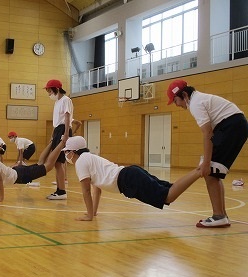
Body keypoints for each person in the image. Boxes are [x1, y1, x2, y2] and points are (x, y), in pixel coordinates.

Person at [167, 79, 248, 228]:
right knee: (213, 172)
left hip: (231, 126)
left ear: (184, 95)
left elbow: (207, 133)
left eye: (176, 101)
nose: (177, 105)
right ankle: (221, 215)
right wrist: (206, 162)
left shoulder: (196, 104)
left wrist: (206, 163)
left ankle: (219, 216)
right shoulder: (198, 99)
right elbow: (211, 133)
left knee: (210, 170)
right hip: (232, 126)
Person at [62, 136, 201, 221]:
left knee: (168, 197)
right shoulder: (90, 157)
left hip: (128, 180)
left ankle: (199, 171)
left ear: (73, 152)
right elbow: (96, 190)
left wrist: (89, 216)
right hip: (130, 173)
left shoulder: (80, 162)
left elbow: (86, 191)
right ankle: (199, 170)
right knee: (169, 189)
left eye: (67, 152)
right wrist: (93, 212)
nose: (66, 155)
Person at [0, 138, 66, 202]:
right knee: (40, 163)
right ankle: (52, 142)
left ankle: (61, 143)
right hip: (18, 172)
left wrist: (1, 198)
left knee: (47, 166)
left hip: (21, 176)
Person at [44, 79, 74, 200]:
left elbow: (67, 116)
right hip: (58, 130)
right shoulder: (57, 102)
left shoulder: (66, 100)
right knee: (56, 163)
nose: (49, 93)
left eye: (49, 90)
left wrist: (66, 134)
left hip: (63, 130)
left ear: (56, 89)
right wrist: (53, 135)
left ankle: (62, 191)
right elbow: (56, 123)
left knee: (58, 162)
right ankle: (59, 190)